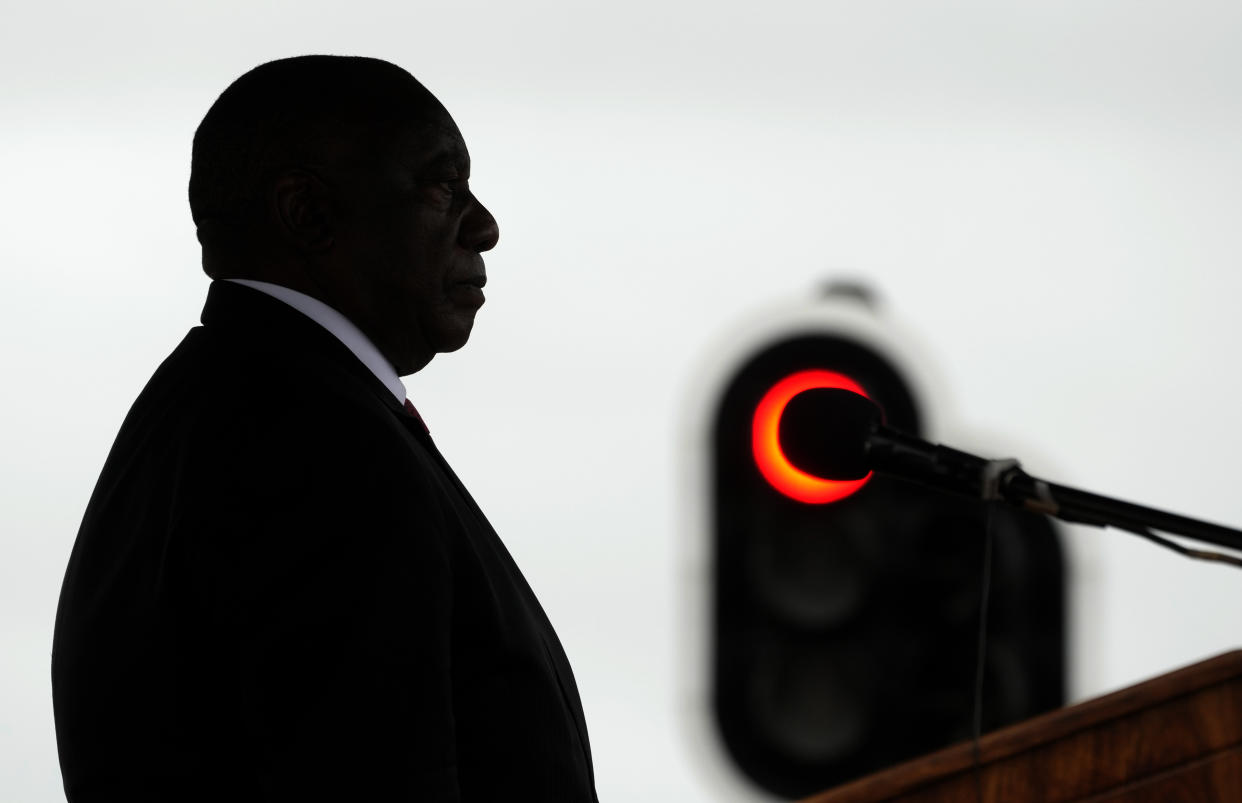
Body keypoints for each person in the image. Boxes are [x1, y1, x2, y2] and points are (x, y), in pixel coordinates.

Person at [51, 55, 598, 802]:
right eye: (442, 184)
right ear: (307, 213)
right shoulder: (312, 448)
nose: (485, 226)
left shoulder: (220, 410)